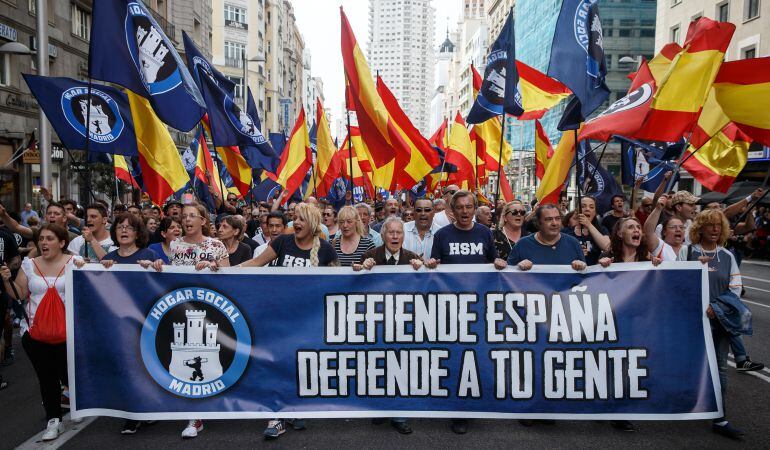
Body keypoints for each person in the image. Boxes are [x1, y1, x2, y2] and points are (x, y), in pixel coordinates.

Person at [239, 203, 337, 438]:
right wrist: (224, 271)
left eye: (302, 219)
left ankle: (293, 407)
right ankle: (277, 417)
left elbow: (337, 283)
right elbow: (255, 263)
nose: (296, 223)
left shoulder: (325, 249)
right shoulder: (283, 242)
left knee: (299, 366)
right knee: (278, 365)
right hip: (280, 318)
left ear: (313, 223)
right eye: (295, 219)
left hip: (308, 321)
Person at [425, 190, 505, 435]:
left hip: (477, 307)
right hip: (450, 308)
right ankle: (457, 409)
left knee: (476, 357)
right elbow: (434, 265)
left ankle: (473, 405)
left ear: (474, 208)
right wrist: (431, 265)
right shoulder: (441, 235)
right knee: (455, 359)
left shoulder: (484, 234)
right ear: (452, 210)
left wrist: (499, 263)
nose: (465, 211)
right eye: (460, 207)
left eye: (469, 207)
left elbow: (494, 262)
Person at [1, 224, 78, 441]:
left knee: (67, 374)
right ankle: (53, 420)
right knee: (47, 377)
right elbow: (20, 293)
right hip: (36, 334)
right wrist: (7, 279)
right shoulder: (29, 265)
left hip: (68, 333)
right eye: (41, 239)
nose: (44, 243)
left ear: (62, 243)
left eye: (50, 239)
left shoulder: (75, 263)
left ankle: (78, 402)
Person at [684, 209, 745, 440]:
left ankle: (720, 418)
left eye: (718, 225)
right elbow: (674, 282)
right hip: (691, 324)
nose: (715, 229)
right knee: (691, 366)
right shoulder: (687, 252)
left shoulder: (727, 256)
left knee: (720, 368)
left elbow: (736, 289)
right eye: (709, 225)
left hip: (719, 323)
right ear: (700, 228)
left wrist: (716, 308)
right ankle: (692, 405)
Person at [596, 217, 661, 433]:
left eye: (639, 228)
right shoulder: (608, 258)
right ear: (620, 234)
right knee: (609, 365)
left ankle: (620, 411)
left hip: (638, 323)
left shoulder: (649, 259)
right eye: (631, 227)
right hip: (611, 322)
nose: (636, 230)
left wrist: (661, 271)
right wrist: (601, 268)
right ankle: (603, 405)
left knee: (629, 366)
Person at [562, 197, 610, 266]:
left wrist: (588, 225)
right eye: (583, 206)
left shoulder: (601, 230)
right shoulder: (565, 232)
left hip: (593, 274)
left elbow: (607, 247)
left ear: (595, 212)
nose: (587, 209)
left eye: (591, 207)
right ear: (576, 211)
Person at [644, 195, 686, 261]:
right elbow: (648, 231)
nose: (678, 230)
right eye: (673, 227)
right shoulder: (660, 246)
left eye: (681, 227)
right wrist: (658, 209)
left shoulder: (689, 250)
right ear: (664, 232)